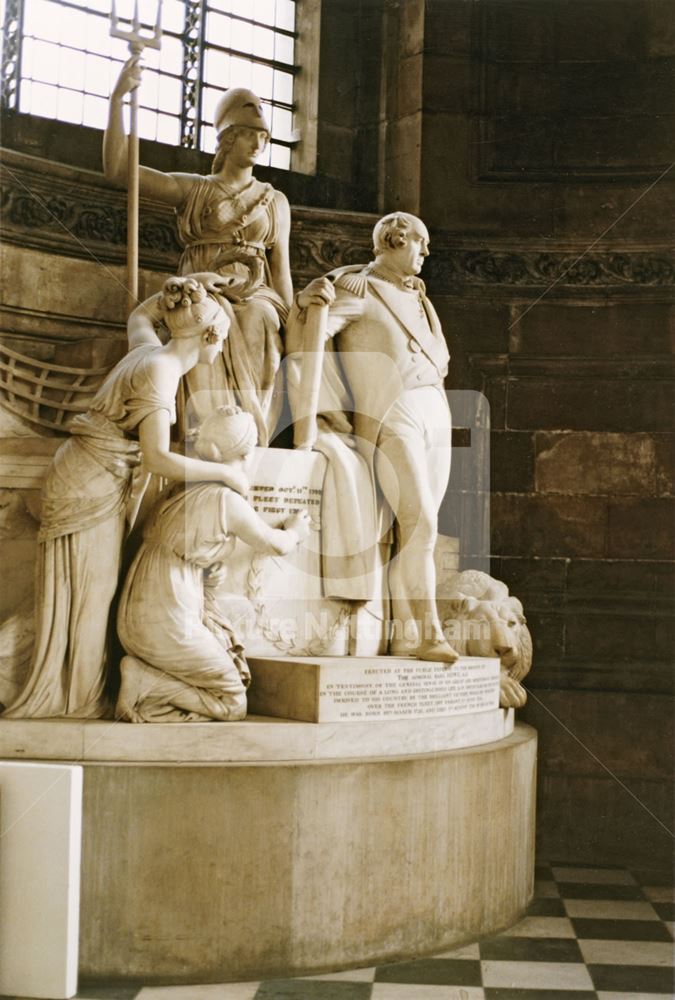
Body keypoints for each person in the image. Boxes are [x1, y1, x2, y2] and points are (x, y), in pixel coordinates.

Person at [3, 277, 247, 720]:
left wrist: (190, 291)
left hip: (84, 472)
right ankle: (74, 703)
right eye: (223, 340)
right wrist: (225, 471)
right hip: (91, 483)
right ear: (211, 336)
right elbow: (156, 457)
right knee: (91, 597)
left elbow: (140, 315)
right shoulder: (162, 371)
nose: (221, 352)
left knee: (74, 592)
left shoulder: (147, 350)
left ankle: (53, 686)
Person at [288, 212, 459, 663]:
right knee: (420, 519)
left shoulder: (421, 299)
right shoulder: (355, 288)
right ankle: (428, 632)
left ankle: (404, 634)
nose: (425, 252)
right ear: (394, 239)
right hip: (389, 410)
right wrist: (306, 305)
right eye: (420, 243)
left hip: (433, 409)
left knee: (418, 529)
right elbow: (309, 337)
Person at [103, 60, 293, 444]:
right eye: (248, 134)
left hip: (257, 291)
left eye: (264, 136)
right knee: (209, 316)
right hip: (201, 286)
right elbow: (121, 169)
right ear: (227, 138)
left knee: (259, 317)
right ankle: (209, 430)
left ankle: (248, 434)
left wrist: (294, 323)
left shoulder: (275, 201)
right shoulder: (195, 189)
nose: (258, 144)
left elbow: (281, 267)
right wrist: (118, 101)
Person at [116, 406, 311, 723]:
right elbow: (274, 543)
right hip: (165, 615)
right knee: (233, 702)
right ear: (248, 455)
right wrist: (294, 531)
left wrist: (206, 580)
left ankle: (147, 678)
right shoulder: (226, 500)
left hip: (142, 607)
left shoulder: (181, 487)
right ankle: (145, 682)